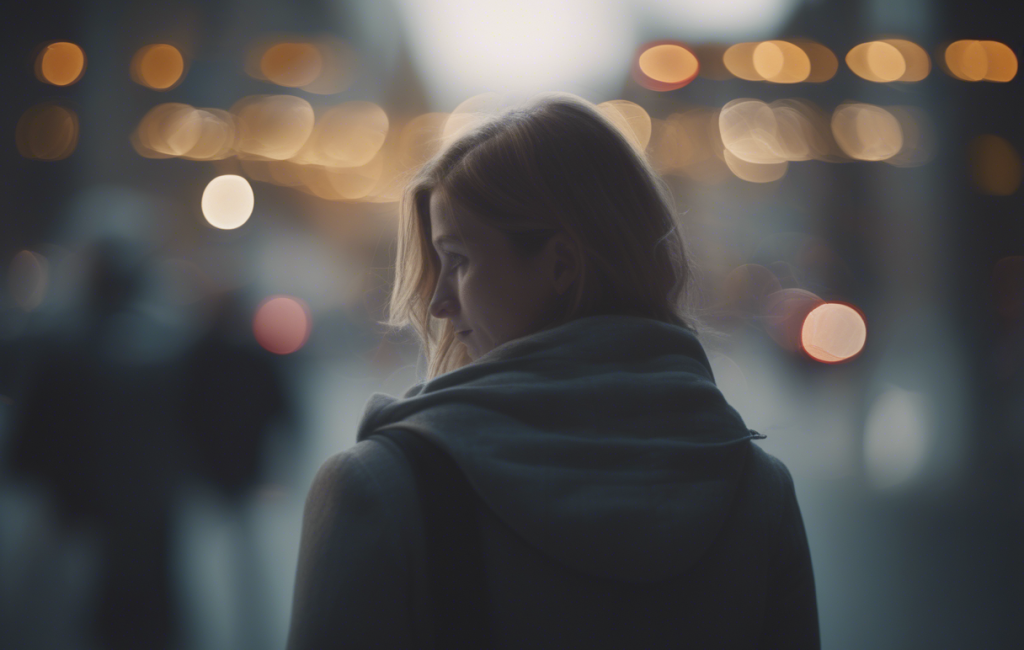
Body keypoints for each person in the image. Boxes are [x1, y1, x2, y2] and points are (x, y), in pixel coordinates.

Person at [286, 92, 820, 649]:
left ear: (561, 265)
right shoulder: (757, 492)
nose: (439, 302)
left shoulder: (379, 491)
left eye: (459, 261)